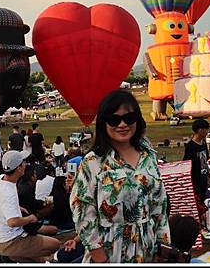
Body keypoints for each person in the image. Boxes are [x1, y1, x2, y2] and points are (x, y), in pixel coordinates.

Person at [70, 89, 170, 263]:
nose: (122, 124)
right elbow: (82, 209)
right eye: (114, 120)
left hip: (147, 251)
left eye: (129, 118)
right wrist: (99, 256)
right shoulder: (94, 162)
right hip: (109, 253)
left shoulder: (148, 156)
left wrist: (162, 248)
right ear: (103, 123)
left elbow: (159, 206)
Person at [0, 150, 61, 262]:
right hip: (10, 240)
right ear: (18, 168)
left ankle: (13, 257)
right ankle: (10, 256)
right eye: (23, 163)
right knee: (54, 245)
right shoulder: (9, 192)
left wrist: (17, 208)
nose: (25, 165)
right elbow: (12, 222)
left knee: (40, 260)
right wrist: (30, 218)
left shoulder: (0, 179)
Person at [182, 118, 210, 225]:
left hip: (203, 180)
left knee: (202, 204)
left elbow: (205, 162)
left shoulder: (203, 144)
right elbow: (186, 165)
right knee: (197, 207)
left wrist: (209, 176)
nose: (207, 132)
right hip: (195, 181)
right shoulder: (190, 147)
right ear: (199, 130)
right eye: (206, 129)